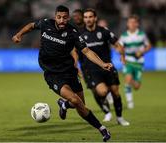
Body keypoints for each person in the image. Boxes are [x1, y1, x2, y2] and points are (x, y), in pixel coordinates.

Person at [12, 5, 112, 142]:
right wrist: (19, 34)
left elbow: (87, 51)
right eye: (59, 17)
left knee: (81, 104)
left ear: (68, 18)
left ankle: (64, 104)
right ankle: (102, 129)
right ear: (55, 16)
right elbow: (31, 25)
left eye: (64, 17)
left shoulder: (73, 32)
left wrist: (103, 64)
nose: (61, 20)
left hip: (69, 71)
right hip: (52, 74)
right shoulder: (46, 24)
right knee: (76, 101)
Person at [81, 8, 130, 126]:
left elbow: (117, 44)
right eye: (86, 17)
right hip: (92, 69)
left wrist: (122, 55)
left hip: (107, 66)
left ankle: (120, 118)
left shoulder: (104, 31)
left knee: (115, 92)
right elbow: (75, 51)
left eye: (90, 17)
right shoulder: (81, 35)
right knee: (102, 91)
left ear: (95, 18)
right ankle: (107, 112)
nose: (88, 19)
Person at [72, 9, 113, 122]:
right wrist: (76, 65)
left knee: (103, 90)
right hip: (86, 68)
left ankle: (107, 102)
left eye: (78, 16)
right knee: (95, 91)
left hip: (99, 65)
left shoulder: (96, 30)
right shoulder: (77, 32)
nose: (76, 18)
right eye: (74, 16)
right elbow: (74, 50)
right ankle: (107, 111)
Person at [119, 15, 152, 109]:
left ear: (137, 24)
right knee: (128, 79)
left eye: (134, 22)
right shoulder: (124, 36)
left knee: (136, 86)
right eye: (130, 22)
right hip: (128, 60)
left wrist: (142, 51)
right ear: (127, 24)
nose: (132, 24)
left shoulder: (142, 34)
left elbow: (149, 46)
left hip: (139, 61)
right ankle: (130, 102)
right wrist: (122, 56)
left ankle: (132, 83)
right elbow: (119, 47)